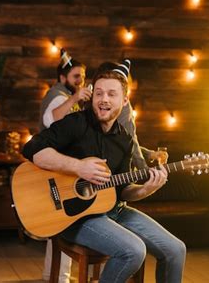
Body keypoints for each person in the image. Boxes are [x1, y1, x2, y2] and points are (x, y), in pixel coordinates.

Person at [23, 66, 186, 282]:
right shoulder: (76, 123)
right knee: (134, 251)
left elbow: (124, 191)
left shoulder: (126, 140)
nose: (103, 99)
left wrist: (147, 188)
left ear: (125, 101)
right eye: (98, 93)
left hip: (115, 211)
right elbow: (32, 148)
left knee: (176, 249)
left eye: (111, 94)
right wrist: (78, 167)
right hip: (75, 216)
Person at [40, 50, 91, 283]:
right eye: (76, 77)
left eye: (82, 76)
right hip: (59, 169)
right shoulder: (59, 96)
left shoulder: (67, 96)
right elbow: (51, 120)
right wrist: (75, 98)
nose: (81, 81)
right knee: (67, 221)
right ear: (63, 78)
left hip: (64, 168)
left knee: (59, 226)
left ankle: (54, 277)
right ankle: (60, 278)